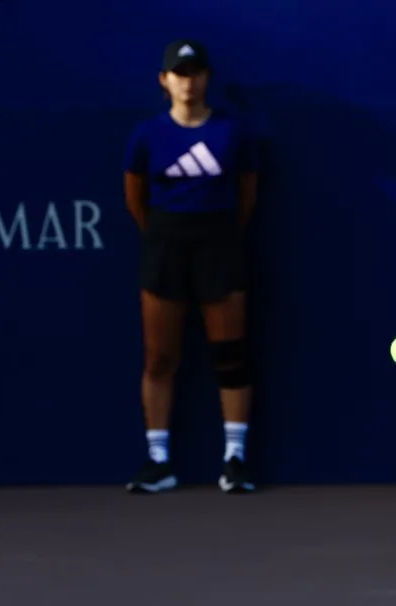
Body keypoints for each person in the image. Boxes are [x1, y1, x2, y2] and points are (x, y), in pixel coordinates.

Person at [122, 39, 259, 494]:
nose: (188, 81)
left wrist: (217, 232)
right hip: (165, 246)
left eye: (196, 72)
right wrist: (164, 233)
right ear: (164, 81)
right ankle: (158, 461)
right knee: (160, 357)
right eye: (179, 74)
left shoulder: (233, 132)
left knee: (231, 357)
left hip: (219, 245)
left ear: (207, 79)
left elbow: (246, 194)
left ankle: (234, 459)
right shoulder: (147, 136)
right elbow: (135, 197)